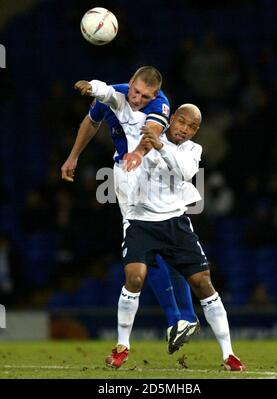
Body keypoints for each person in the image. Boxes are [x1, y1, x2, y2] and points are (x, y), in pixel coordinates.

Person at [97, 101, 245, 371]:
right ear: (173, 118)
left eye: (192, 127)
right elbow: (121, 113)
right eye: (182, 122)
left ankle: (229, 355)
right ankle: (121, 348)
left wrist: (160, 145)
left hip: (175, 222)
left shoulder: (192, 150)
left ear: (196, 131)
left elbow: (185, 172)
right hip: (141, 222)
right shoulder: (148, 133)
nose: (185, 130)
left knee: (203, 282)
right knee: (135, 277)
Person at [61, 66, 199, 353]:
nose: (138, 99)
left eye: (145, 96)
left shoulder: (160, 103)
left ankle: (181, 317)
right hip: (131, 174)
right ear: (130, 83)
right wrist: (73, 156)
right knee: (156, 245)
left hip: (157, 173)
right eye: (135, 92)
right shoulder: (117, 95)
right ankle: (182, 318)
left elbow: (152, 132)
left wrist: (136, 153)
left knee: (153, 244)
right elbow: (92, 121)